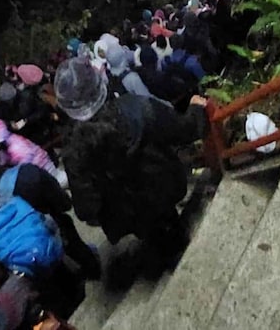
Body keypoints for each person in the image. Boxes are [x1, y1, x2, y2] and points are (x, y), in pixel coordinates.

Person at [53, 57, 208, 270]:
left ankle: (166, 251)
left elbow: (85, 209)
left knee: (151, 232)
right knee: (166, 221)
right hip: (162, 188)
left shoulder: (73, 152)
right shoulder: (138, 108)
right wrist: (196, 109)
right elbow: (186, 130)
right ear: (101, 85)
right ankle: (176, 245)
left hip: (127, 215)